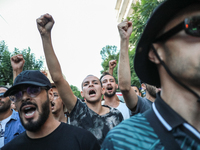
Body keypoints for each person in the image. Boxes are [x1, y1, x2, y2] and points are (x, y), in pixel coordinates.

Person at [102, 0, 200, 149]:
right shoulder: (125, 141)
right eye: (195, 25)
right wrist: (124, 40)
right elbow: (125, 87)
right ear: (155, 52)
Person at [36, 13, 123, 145]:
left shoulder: (116, 115)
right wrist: (45, 36)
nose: (91, 85)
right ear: (82, 93)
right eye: (86, 84)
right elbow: (57, 78)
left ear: (103, 89)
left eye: (95, 83)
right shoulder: (77, 110)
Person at [2, 70, 100, 150]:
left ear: (50, 94)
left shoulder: (83, 141)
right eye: (18, 94)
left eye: (33, 90)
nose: (24, 98)